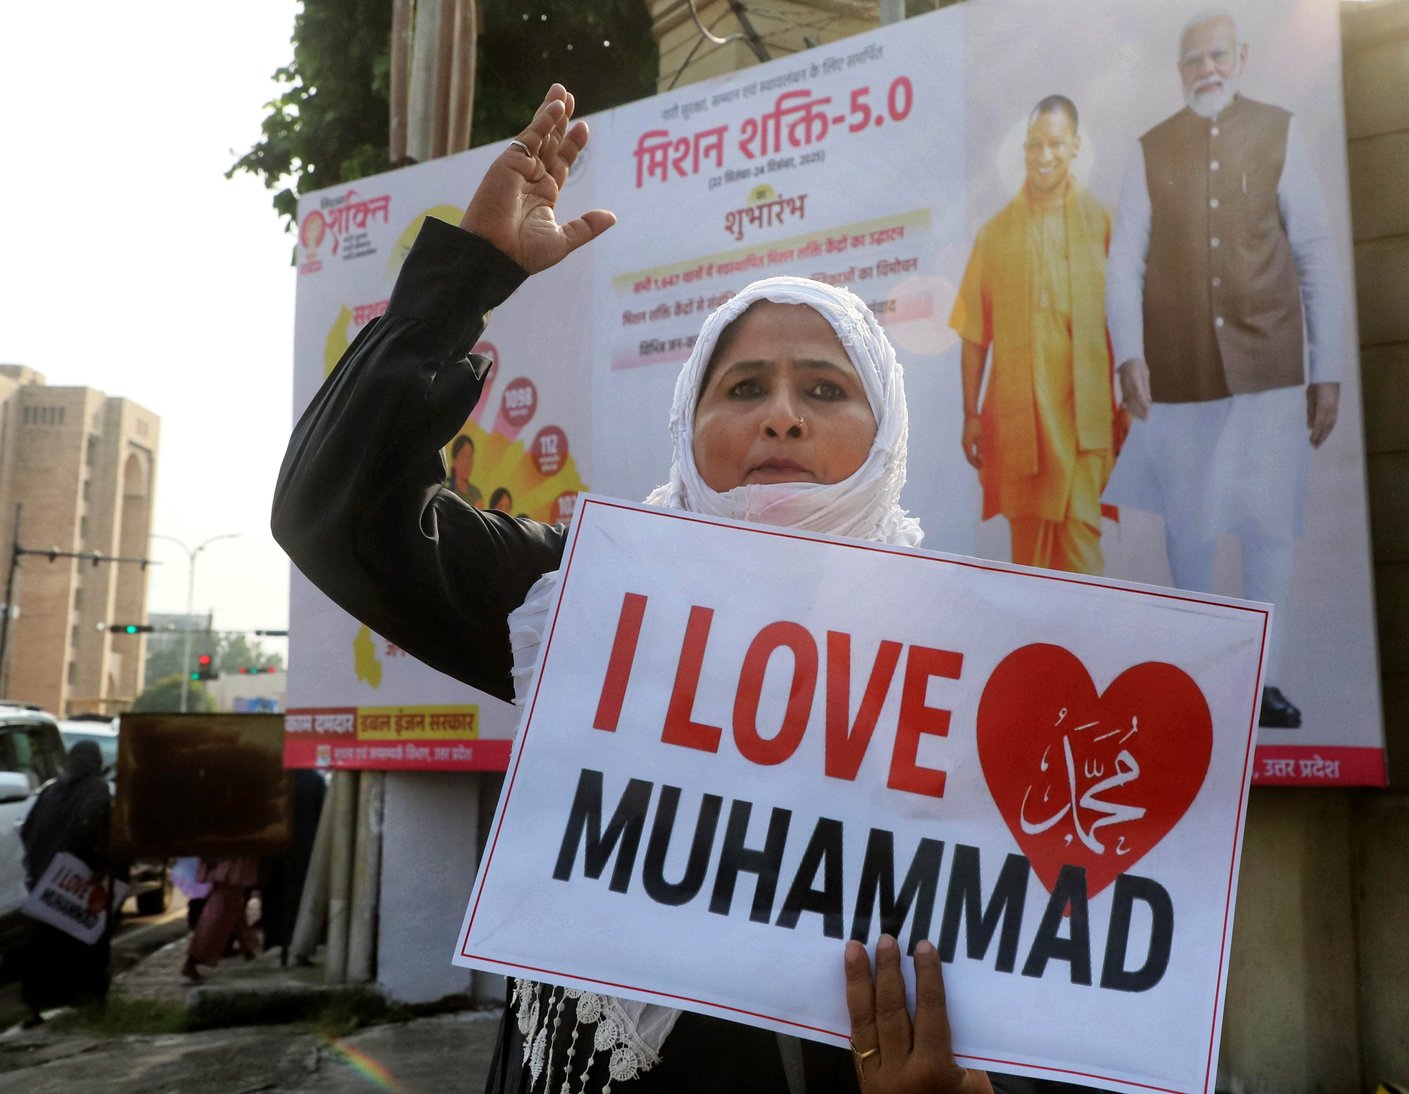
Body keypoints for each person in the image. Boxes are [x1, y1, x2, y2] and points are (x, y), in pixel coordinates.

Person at [274, 85, 1007, 1094]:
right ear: (688, 427)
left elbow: (1037, 966)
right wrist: (464, 280)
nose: (782, 417)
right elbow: (333, 510)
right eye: (743, 387)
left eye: (825, 389)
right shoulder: (583, 604)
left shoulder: (971, 666)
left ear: (884, 438)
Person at [1104, 9, 1347, 728]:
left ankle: (1263, 684)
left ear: (1239, 58)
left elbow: (1314, 253)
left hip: (1269, 363)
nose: (1205, 69)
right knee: (1192, 528)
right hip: (1179, 371)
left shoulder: (1278, 130)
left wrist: (1324, 367)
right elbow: (1125, 261)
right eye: (1192, 60)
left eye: (1217, 56)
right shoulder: (1151, 148)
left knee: (1269, 526)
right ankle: (1209, 682)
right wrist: (1129, 354)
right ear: (1179, 71)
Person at [950, 95, 1117, 575]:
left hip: (1085, 420)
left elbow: (1125, 323)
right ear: (1024, 149)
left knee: (1084, 560)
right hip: (1021, 425)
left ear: (1076, 147)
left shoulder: (1103, 222)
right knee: (1030, 568)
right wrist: (969, 414)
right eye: (1035, 145)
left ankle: (1087, 646)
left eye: (1056, 144)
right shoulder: (995, 234)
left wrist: (1125, 400)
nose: (1045, 156)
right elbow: (973, 333)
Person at [18, 740, 113, 1024]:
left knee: (41, 948)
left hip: (45, 880)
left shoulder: (51, 789)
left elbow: (26, 830)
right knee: (86, 940)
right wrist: (94, 865)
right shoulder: (97, 787)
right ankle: (90, 1004)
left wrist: (40, 863)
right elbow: (89, 822)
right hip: (75, 880)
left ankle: (34, 1008)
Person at [181, 856, 260, 983]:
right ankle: (192, 960)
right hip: (231, 858)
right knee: (221, 906)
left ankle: (249, 950)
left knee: (231, 904)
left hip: (224, 857)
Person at [448, 434, 484, 507]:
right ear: (454, 461)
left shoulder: (476, 495)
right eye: (463, 456)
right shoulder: (446, 490)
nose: (467, 462)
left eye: (469, 456)